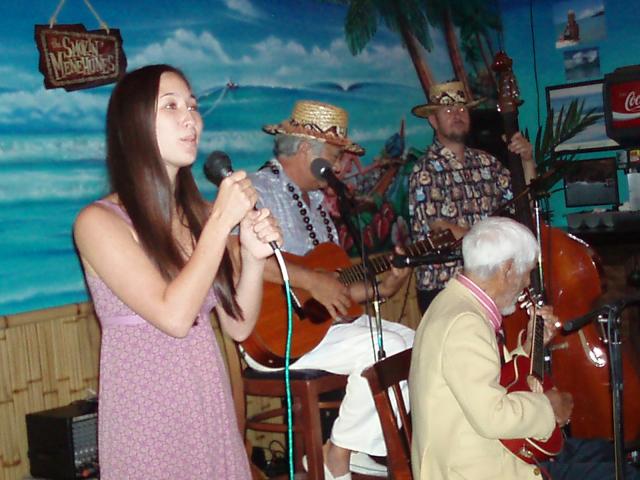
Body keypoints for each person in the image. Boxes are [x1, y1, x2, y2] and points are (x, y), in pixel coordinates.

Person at [73, 64, 282, 479]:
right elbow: (173, 316)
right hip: (148, 417)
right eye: (170, 106)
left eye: (192, 105)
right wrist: (220, 223)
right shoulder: (98, 222)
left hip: (207, 402)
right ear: (132, 125)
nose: (191, 118)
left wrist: (253, 258)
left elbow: (238, 326)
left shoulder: (200, 216)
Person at [242, 100, 415, 480]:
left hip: (323, 329)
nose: (338, 168)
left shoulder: (319, 204)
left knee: (415, 342)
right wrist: (308, 279)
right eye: (334, 158)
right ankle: (340, 453)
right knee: (385, 347)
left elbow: (335, 290)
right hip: (276, 335)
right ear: (306, 149)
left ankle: (346, 448)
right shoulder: (255, 190)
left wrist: (383, 288)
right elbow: (237, 261)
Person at [409, 216, 640, 479]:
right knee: (623, 474)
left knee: (606, 453)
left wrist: (529, 347)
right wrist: (548, 406)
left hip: (490, 449)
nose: (528, 283)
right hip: (474, 469)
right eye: (527, 272)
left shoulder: (454, 303)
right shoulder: (465, 324)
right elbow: (492, 417)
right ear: (507, 269)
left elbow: (487, 380)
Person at [408, 81, 536, 313]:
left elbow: (524, 201)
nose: (457, 115)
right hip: (445, 287)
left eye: (461, 109)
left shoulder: (487, 162)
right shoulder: (425, 170)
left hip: (490, 285)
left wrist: (527, 160)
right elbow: (440, 228)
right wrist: (496, 249)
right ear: (433, 120)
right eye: (448, 110)